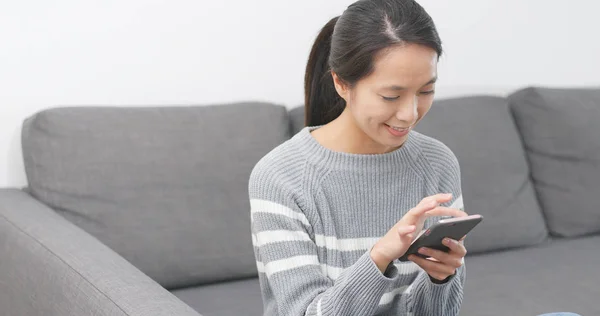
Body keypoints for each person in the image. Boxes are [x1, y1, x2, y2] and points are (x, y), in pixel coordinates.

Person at [248, 0, 467, 315]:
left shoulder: (437, 163)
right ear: (341, 83)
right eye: (391, 96)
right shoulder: (279, 177)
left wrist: (441, 278)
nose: (410, 114)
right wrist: (379, 257)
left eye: (426, 91)